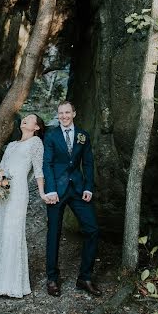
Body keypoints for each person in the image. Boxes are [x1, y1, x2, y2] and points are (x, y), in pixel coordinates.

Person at [0, 113, 46, 298]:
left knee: (11, 232)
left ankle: (11, 284)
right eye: (25, 117)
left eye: (30, 118)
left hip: (18, 193)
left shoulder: (36, 143)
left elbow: (39, 170)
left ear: (37, 127)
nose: (25, 119)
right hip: (3, 190)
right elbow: (1, 166)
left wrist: (41, 193)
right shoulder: (12, 145)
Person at [43, 101, 101, 297]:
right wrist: (50, 190)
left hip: (77, 189)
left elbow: (89, 163)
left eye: (67, 112)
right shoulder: (51, 135)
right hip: (56, 191)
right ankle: (52, 278)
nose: (64, 116)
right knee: (53, 233)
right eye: (61, 113)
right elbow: (47, 163)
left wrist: (88, 187)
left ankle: (84, 278)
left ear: (74, 113)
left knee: (92, 229)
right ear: (58, 115)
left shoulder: (83, 135)